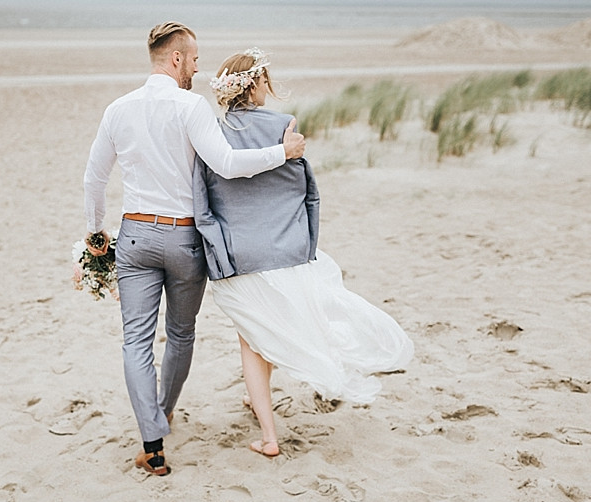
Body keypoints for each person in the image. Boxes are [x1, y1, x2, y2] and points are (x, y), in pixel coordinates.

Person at [83, 24, 306, 476]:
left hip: (135, 236)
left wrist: (94, 234)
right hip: (184, 240)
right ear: (177, 59)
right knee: (181, 334)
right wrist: (281, 154)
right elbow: (225, 164)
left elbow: (94, 180)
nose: (198, 68)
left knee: (135, 341)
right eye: (195, 60)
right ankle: (163, 412)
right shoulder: (190, 107)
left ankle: (152, 438)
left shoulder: (117, 109)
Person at [193, 48, 414, 457]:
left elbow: (200, 200)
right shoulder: (285, 127)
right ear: (256, 84)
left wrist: (216, 250)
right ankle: (262, 411)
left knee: (252, 337)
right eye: (264, 80)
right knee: (267, 328)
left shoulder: (210, 133)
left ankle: (269, 437)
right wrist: (304, 242)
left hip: (238, 256)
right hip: (284, 248)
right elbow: (304, 191)